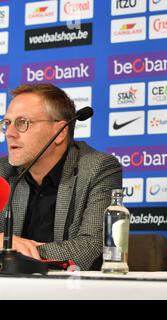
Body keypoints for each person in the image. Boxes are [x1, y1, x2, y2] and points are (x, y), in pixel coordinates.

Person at [0, 84, 122, 271]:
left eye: (22, 122)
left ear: (60, 132)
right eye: (7, 123)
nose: (9, 133)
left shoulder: (98, 168)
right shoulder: (3, 171)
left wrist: (15, 250)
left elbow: (92, 247)